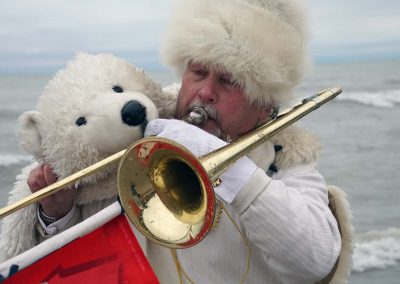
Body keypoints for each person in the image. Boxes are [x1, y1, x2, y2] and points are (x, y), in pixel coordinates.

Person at [13, 0, 354, 283]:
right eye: (198, 72)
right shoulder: (139, 143)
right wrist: (57, 213)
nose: (205, 92)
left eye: (229, 81)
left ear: (265, 106)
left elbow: (316, 261)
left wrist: (226, 163)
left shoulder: (286, 164)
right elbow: (84, 265)